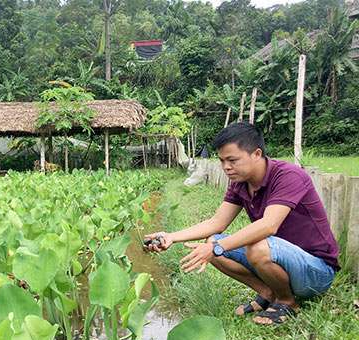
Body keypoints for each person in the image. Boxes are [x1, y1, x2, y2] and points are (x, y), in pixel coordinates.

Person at [144, 122, 340, 325]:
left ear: (256, 154)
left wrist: (216, 248)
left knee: (245, 246)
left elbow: (268, 226)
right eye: (221, 161)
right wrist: (172, 236)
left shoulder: (288, 175)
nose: (226, 167)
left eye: (232, 160)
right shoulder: (240, 184)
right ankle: (268, 293)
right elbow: (217, 223)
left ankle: (287, 302)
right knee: (212, 241)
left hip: (317, 271)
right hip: (279, 258)